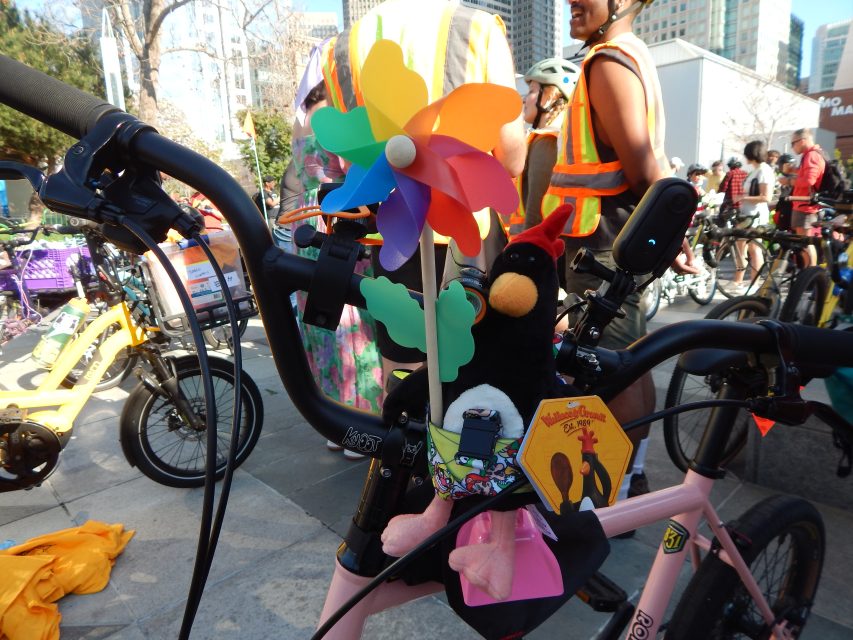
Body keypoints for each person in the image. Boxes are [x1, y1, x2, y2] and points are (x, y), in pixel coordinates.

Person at [319, 0, 526, 385]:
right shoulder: (477, 27)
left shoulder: (341, 48)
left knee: (404, 372)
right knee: (476, 371)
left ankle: (407, 423)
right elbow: (512, 158)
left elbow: (351, 160)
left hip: (393, 229)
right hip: (467, 235)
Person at [539, 0, 693, 505]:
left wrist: (672, 230)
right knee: (630, 363)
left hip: (603, 241)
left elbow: (643, 164)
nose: (571, 2)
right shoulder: (628, 54)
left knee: (609, 369)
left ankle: (612, 496)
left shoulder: (607, 61)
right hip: (616, 236)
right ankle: (633, 477)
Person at [284, 79, 385, 460]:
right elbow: (350, 167)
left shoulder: (302, 120)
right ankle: (361, 420)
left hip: (308, 220)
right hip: (339, 216)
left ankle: (334, 425)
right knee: (353, 322)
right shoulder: (338, 110)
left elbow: (297, 177)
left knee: (320, 322)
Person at [516, 57, 580, 233]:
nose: (525, 100)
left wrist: (526, 244)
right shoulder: (555, 138)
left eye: (531, 91)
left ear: (550, 96)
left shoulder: (547, 141)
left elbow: (535, 214)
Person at [731, 140, 774, 289]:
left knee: (754, 249)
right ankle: (739, 280)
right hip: (746, 215)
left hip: (755, 216)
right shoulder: (755, 170)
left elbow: (766, 197)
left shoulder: (764, 171)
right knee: (741, 247)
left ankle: (753, 283)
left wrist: (742, 198)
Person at [790, 127, 826, 266]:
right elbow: (806, 175)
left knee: (805, 243)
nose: (792, 147)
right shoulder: (811, 155)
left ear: (802, 141)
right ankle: (809, 273)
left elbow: (809, 180)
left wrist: (789, 181)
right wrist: (794, 170)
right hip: (803, 205)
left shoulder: (812, 155)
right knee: (804, 243)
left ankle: (810, 274)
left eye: (793, 143)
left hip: (805, 206)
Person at [774, 152, 796, 231]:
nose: (780, 167)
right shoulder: (789, 177)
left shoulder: (791, 179)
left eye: (780, 165)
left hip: (788, 212)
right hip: (786, 211)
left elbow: (784, 198)